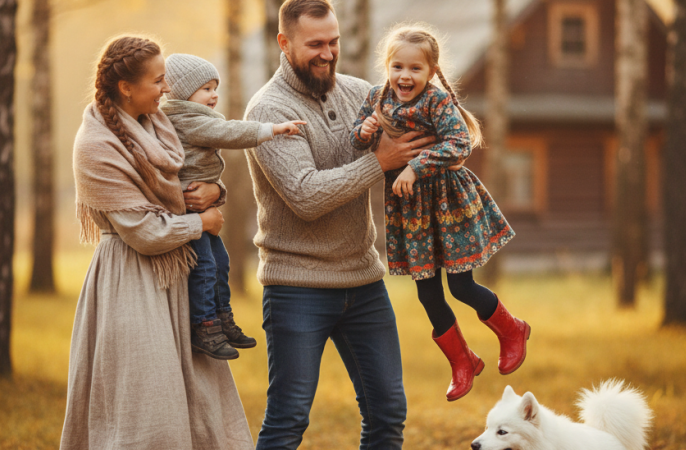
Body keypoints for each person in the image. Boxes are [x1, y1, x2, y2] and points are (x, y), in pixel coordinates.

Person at [243, 1, 435, 449]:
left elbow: (412, 134)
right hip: (297, 286)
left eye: (333, 42)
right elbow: (306, 196)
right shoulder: (268, 110)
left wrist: (435, 145)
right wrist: (379, 161)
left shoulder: (362, 93)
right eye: (315, 44)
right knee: (289, 418)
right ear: (284, 42)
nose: (328, 53)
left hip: (364, 282)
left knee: (388, 413)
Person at [60, 36, 254, 450]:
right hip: (131, 283)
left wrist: (214, 192)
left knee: (199, 403)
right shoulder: (96, 146)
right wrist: (202, 221)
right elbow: (144, 232)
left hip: (180, 274)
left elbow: (187, 182)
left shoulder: (159, 125)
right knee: (148, 404)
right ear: (126, 87)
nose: (167, 89)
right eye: (158, 80)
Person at [349, 23, 531, 403]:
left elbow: (460, 143)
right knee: (427, 293)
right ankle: (463, 360)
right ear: (387, 66)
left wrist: (416, 167)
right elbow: (356, 140)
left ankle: (512, 329)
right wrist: (364, 131)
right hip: (411, 211)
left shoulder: (437, 101)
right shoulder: (376, 98)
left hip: (447, 203)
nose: (405, 75)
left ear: (431, 72)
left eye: (415, 68)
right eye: (398, 66)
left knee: (460, 285)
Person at [160, 53, 306, 360]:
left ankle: (222, 317)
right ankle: (204, 325)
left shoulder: (194, 116)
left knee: (220, 262)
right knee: (204, 266)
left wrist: (216, 189)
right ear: (182, 92)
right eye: (206, 89)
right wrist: (271, 129)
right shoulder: (184, 118)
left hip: (201, 205)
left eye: (215, 88)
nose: (214, 95)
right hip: (188, 208)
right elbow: (228, 133)